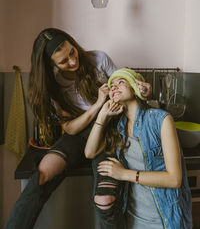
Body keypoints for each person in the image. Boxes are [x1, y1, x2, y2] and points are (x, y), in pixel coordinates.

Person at [4, 29, 151, 229]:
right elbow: (71, 129)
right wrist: (97, 105)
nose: (72, 61)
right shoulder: (53, 84)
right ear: (52, 65)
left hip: (109, 130)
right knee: (42, 175)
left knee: (105, 199)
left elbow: (123, 82)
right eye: (63, 61)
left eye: (72, 52)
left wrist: (138, 87)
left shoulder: (98, 59)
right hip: (79, 134)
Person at [85, 68, 193, 229]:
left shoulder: (161, 119)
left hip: (165, 221)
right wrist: (102, 115)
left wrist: (123, 174)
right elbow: (90, 152)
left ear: (136, 89)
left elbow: (174, 179)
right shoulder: (119, 127)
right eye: (111, 85)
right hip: (132, 220)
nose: (114, 87)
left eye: (120, 82)